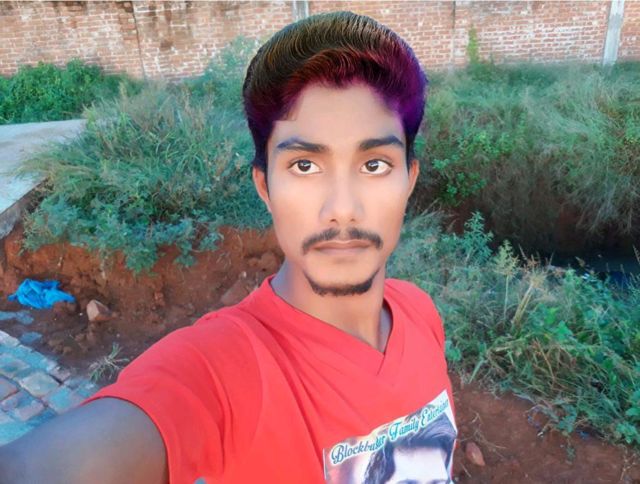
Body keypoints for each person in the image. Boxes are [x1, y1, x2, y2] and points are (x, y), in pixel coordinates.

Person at [0, 10, 457, 484]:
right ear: (265, 187)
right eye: (304, 166)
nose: (342, 209)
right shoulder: (226, 370)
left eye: (375, 164)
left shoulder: (419, 313)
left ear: (409, 179)